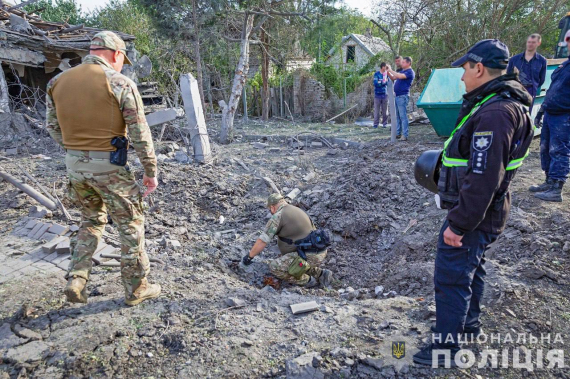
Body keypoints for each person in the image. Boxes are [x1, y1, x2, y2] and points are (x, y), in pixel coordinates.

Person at [412, 39, 533, 366]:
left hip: (475, 214)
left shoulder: (496, 113)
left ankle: (446, 349)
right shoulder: (500, 103)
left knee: (452, 276)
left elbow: (483, 177)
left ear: (479, 68)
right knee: (471, 270)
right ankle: (467, 330)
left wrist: (458, 224)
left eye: (465, 69)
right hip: (482, 211)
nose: (463, 77)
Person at [46, 31, 161, 306]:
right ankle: (136, 289)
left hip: (75, 167)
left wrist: (77, 150)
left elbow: (52, 126)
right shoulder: (119, 82)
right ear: (116, 54)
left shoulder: (57, 82)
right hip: (109, 169)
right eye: (123, 60)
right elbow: (140, 132)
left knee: (91, 220)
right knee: (130, 226)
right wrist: (150, 171)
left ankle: (77, 277)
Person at [242, 194, 333, 288]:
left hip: (308, 255)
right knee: (292, 262)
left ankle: (307, 281)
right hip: (318, 251)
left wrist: (249, 257)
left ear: (272, 207)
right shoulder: (296, 210)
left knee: (275, 267)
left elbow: (262, 241)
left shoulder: (278, 216)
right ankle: (321, 274)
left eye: (270, 209)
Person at [531, 29, 570, 202]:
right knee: (546, 148)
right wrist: (541, 110)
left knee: (559, 150)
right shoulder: (565, 64)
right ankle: (549, 181)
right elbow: (553, 89)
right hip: (551, 112)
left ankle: (556, 188)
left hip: (564, 116)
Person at [506, 33, 547, 102]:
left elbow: (541, 79)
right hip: (515, 91)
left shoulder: (542, 61)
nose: (530, 44)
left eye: (533, 42)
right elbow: (507, 75)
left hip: (531, 92)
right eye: (529, 42)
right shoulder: (514, 59)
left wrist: (534, 88)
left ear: (538, 43)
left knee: (527, 112)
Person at [387, 57, 415, 141]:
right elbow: (394, 78)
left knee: (403, 116)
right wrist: (388, 71)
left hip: (403, 96)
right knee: (398, 116)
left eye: (403, 62)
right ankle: (398, 133)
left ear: (408, 63)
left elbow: (399, 76)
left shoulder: (410, 72)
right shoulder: (403, 71)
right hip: (398, 96)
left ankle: (405, 135)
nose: (401, 63)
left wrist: (391, 70)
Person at [373, 62, 388, 128]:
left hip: (385, 94)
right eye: (386, 67)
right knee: (377, 110)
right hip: (377, 95)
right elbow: (376, 83)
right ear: (383, 67)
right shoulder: (376, 74)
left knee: (385, 110)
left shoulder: (386, 75)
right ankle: (376, 124)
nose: (387, 68)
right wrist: (383, 82)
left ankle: (385, 123)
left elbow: (387, 82)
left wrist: (381, 82)